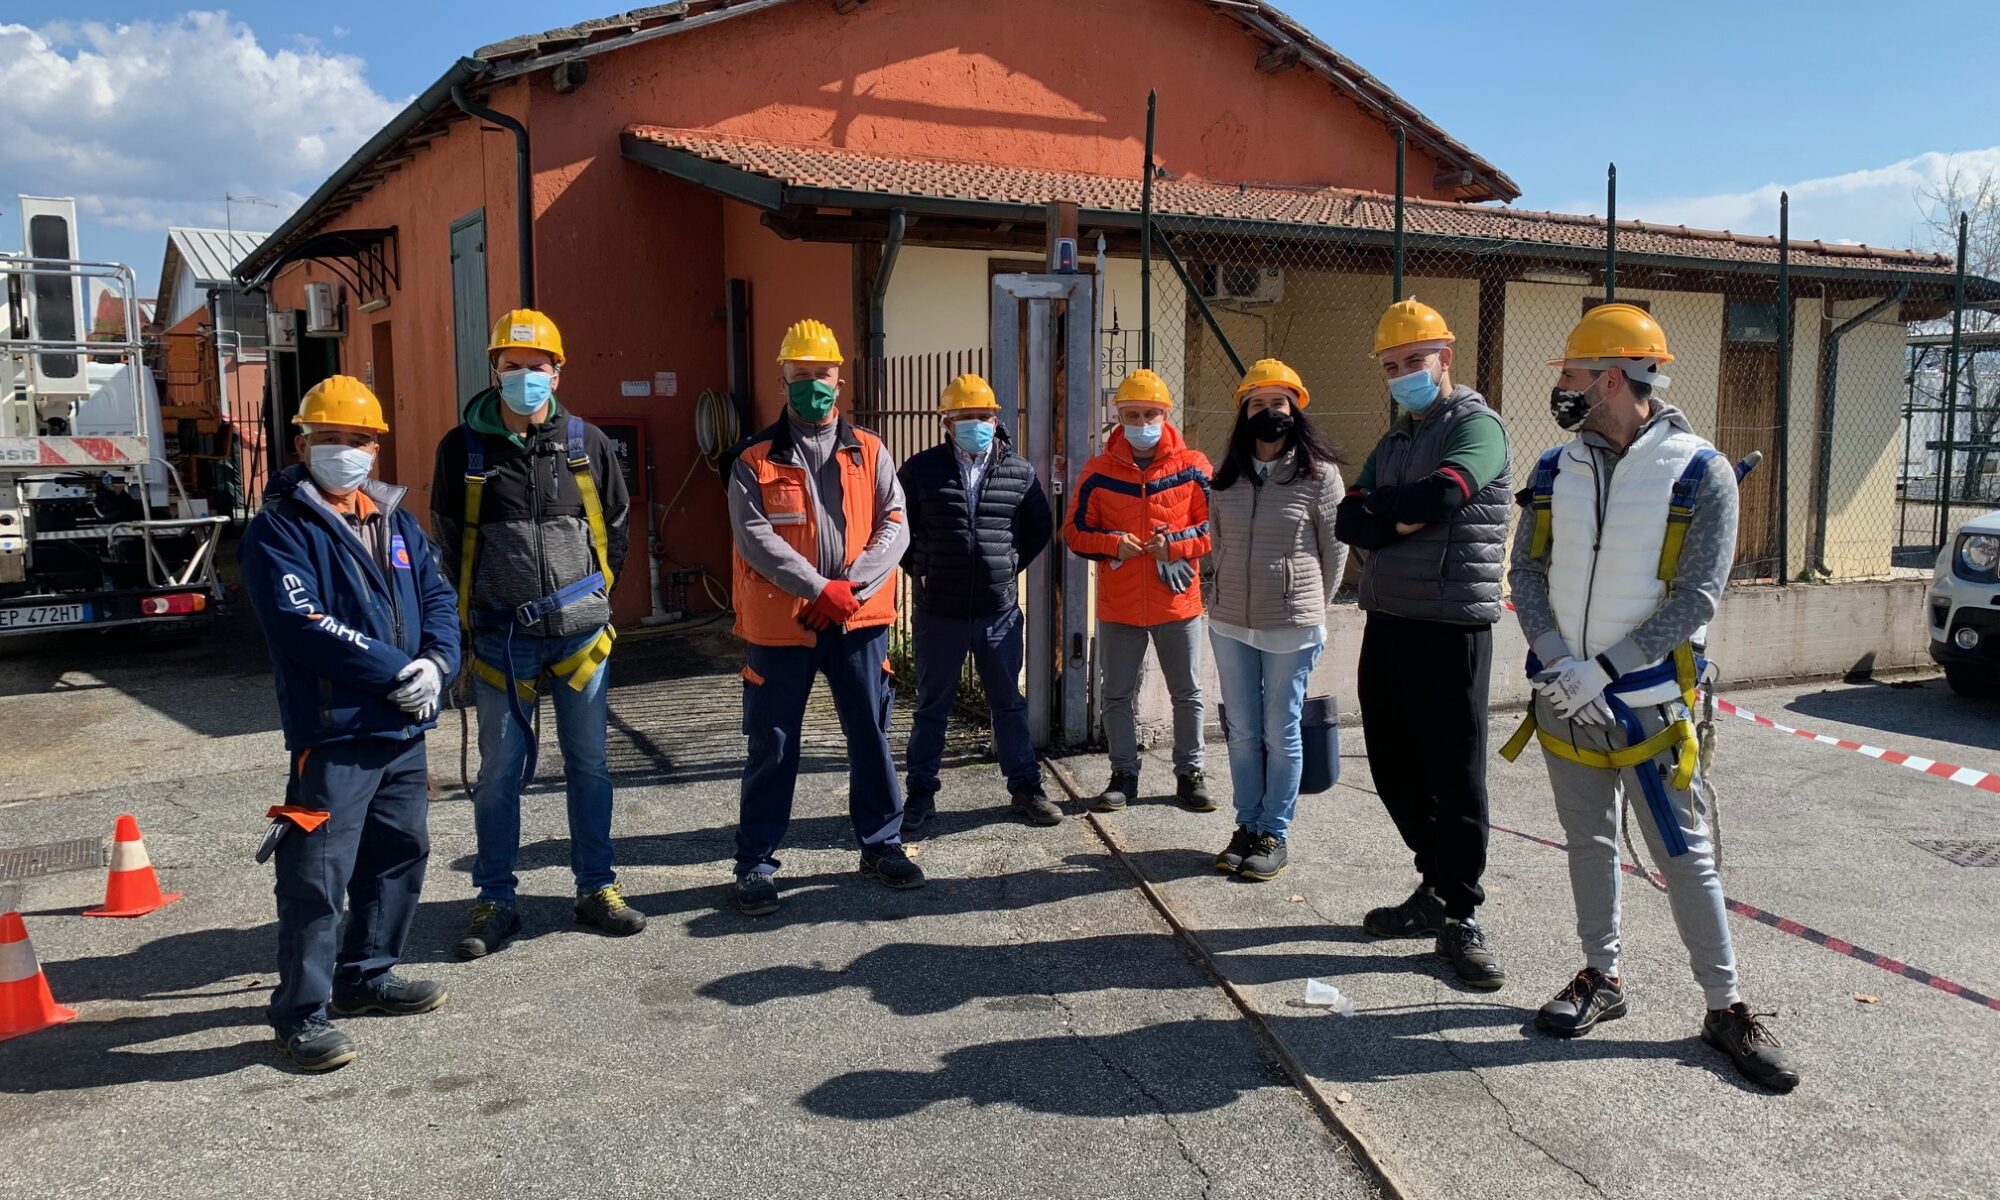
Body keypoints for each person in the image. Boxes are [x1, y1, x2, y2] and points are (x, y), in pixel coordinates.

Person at [1505, 302, 1800, 1091]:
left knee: (1684, 856)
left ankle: (1725, 1005)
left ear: (1609, 377)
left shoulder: (1700, 472)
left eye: (1570, 374)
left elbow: (1697, 598)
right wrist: (1559, 659)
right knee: (1588, 844)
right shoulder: (1550, 469)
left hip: (1651, 709)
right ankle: (1600, 977)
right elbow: (1526, 572)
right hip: (1566, 698)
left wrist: (1604, 668)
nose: (1562, 388)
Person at [238, 376, 460, 1071]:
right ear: (303, 444)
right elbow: (301, 623)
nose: (346, 451)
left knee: (400, 852)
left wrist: (438, 664)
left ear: (376, 446)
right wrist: (397, 669)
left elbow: (439, 597)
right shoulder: (279, 527)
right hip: (335, 729)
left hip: (402, 729)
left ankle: (366, 976)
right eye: (330, 439)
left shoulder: (397, 520)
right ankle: (300, 1014)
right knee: (317, 874)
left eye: (359, 440)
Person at [430, 309, 640, 960]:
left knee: (589, 767)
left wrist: (588, 605)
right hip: (501, 643)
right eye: (512, 366)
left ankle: (595, 888)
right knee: (498, 774)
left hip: (579, 643)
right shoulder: (460, 450)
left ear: (557, 371)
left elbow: (617, 531)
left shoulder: (586, 444)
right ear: (494, 369)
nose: (524, 377)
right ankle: (496, 898)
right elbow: (449, 543)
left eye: (537, 367)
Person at [1334, 298, 1511, 989]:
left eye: (1415, 361)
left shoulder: (1477, 427)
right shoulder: (1397, 440)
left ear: (1446, 357)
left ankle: (1462, 914)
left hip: (1451, 624)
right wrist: (1391, 517)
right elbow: (1354, 520)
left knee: (1455, 775)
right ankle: (1433, 886)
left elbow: (1440, 501)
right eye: (1393, 366)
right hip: (1390, 618)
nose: (1405, 374)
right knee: (1393, 765)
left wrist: (1395, 514)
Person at [725, 318, 917, 916]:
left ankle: (882, 844)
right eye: (801, 376)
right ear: (783, 381)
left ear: (841, 380)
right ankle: (755, 862)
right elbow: (756, 538)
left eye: (823, 375)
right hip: (784, 626)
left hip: (857, 621)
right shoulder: (752, 460)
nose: (814, 386)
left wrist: (848, 588)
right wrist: (816, 588)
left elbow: (896, 523)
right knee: (773, 744)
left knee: (870, 737)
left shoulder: (873, 450)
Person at [1205, 360, 1348, 881]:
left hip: (1292, 624)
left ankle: (1274, 831)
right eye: (1258, 404)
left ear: (1296, 411)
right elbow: (1218, 548)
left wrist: (1310, 606)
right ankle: (1245, 826)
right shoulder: (1224, 479)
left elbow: (1335, 554)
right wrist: (1223, 594)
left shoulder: (1320, 477)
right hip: (1228, 623)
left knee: (1279, 730)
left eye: (1279, 403)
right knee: (1242, 730)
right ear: (1244, 412)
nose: (1270, 413)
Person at [898, 373, 1059, 829]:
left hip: (998, 613)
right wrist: (922, 569)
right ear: (946, 422)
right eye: (964, 417)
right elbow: (898, 529)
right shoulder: (920, 470)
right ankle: (921, 794)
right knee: (932, 705)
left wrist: (1004, 568)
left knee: (1008, 704)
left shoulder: (1019, 471)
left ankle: (1025, 788)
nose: (974, 424)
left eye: (982, 416)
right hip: (939, 614)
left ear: (996, 418)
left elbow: (1037, 529)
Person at [1064, 368, 1213, 813]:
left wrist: (1176, 545)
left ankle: (1191, 774)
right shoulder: (1097, 470)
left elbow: (1215, 529)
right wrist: (1112, 543)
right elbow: (1074, 531)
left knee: (1187, 693)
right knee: (1115, 695)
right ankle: (1123, 774)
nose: (1142, 421)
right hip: (1119, 604)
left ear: (1166, 414)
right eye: (1132, 414)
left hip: (1177, 602)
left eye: (1150, 413)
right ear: (1119, 417)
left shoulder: (1194, 466)